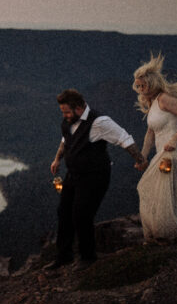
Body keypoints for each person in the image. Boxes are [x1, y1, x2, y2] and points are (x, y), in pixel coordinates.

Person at [46, 89, 146, 271]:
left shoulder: (99, 122)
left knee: (81, 214)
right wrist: (57, 159)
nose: (65, 115)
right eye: (63, 112)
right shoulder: (69, 120)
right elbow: (65, 140)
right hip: (73, 175)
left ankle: (88, 257)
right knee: (64, 212)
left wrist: (139, 160)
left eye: (67, 111)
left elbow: (124, 138)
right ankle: (64, 256)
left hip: (94, 177)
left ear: (79, 108)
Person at [133, 53, 177, 243]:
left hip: (173, 154)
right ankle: (160, 232)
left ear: (152, 83)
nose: (140, 89)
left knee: (161, 191)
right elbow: (150, 133)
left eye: (143, 85)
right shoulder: (153, 102)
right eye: (138, 85)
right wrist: (142, 157)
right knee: (150, 188)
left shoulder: (165, 99)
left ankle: (167, 232)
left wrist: (175, 139)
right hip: (162, 154)